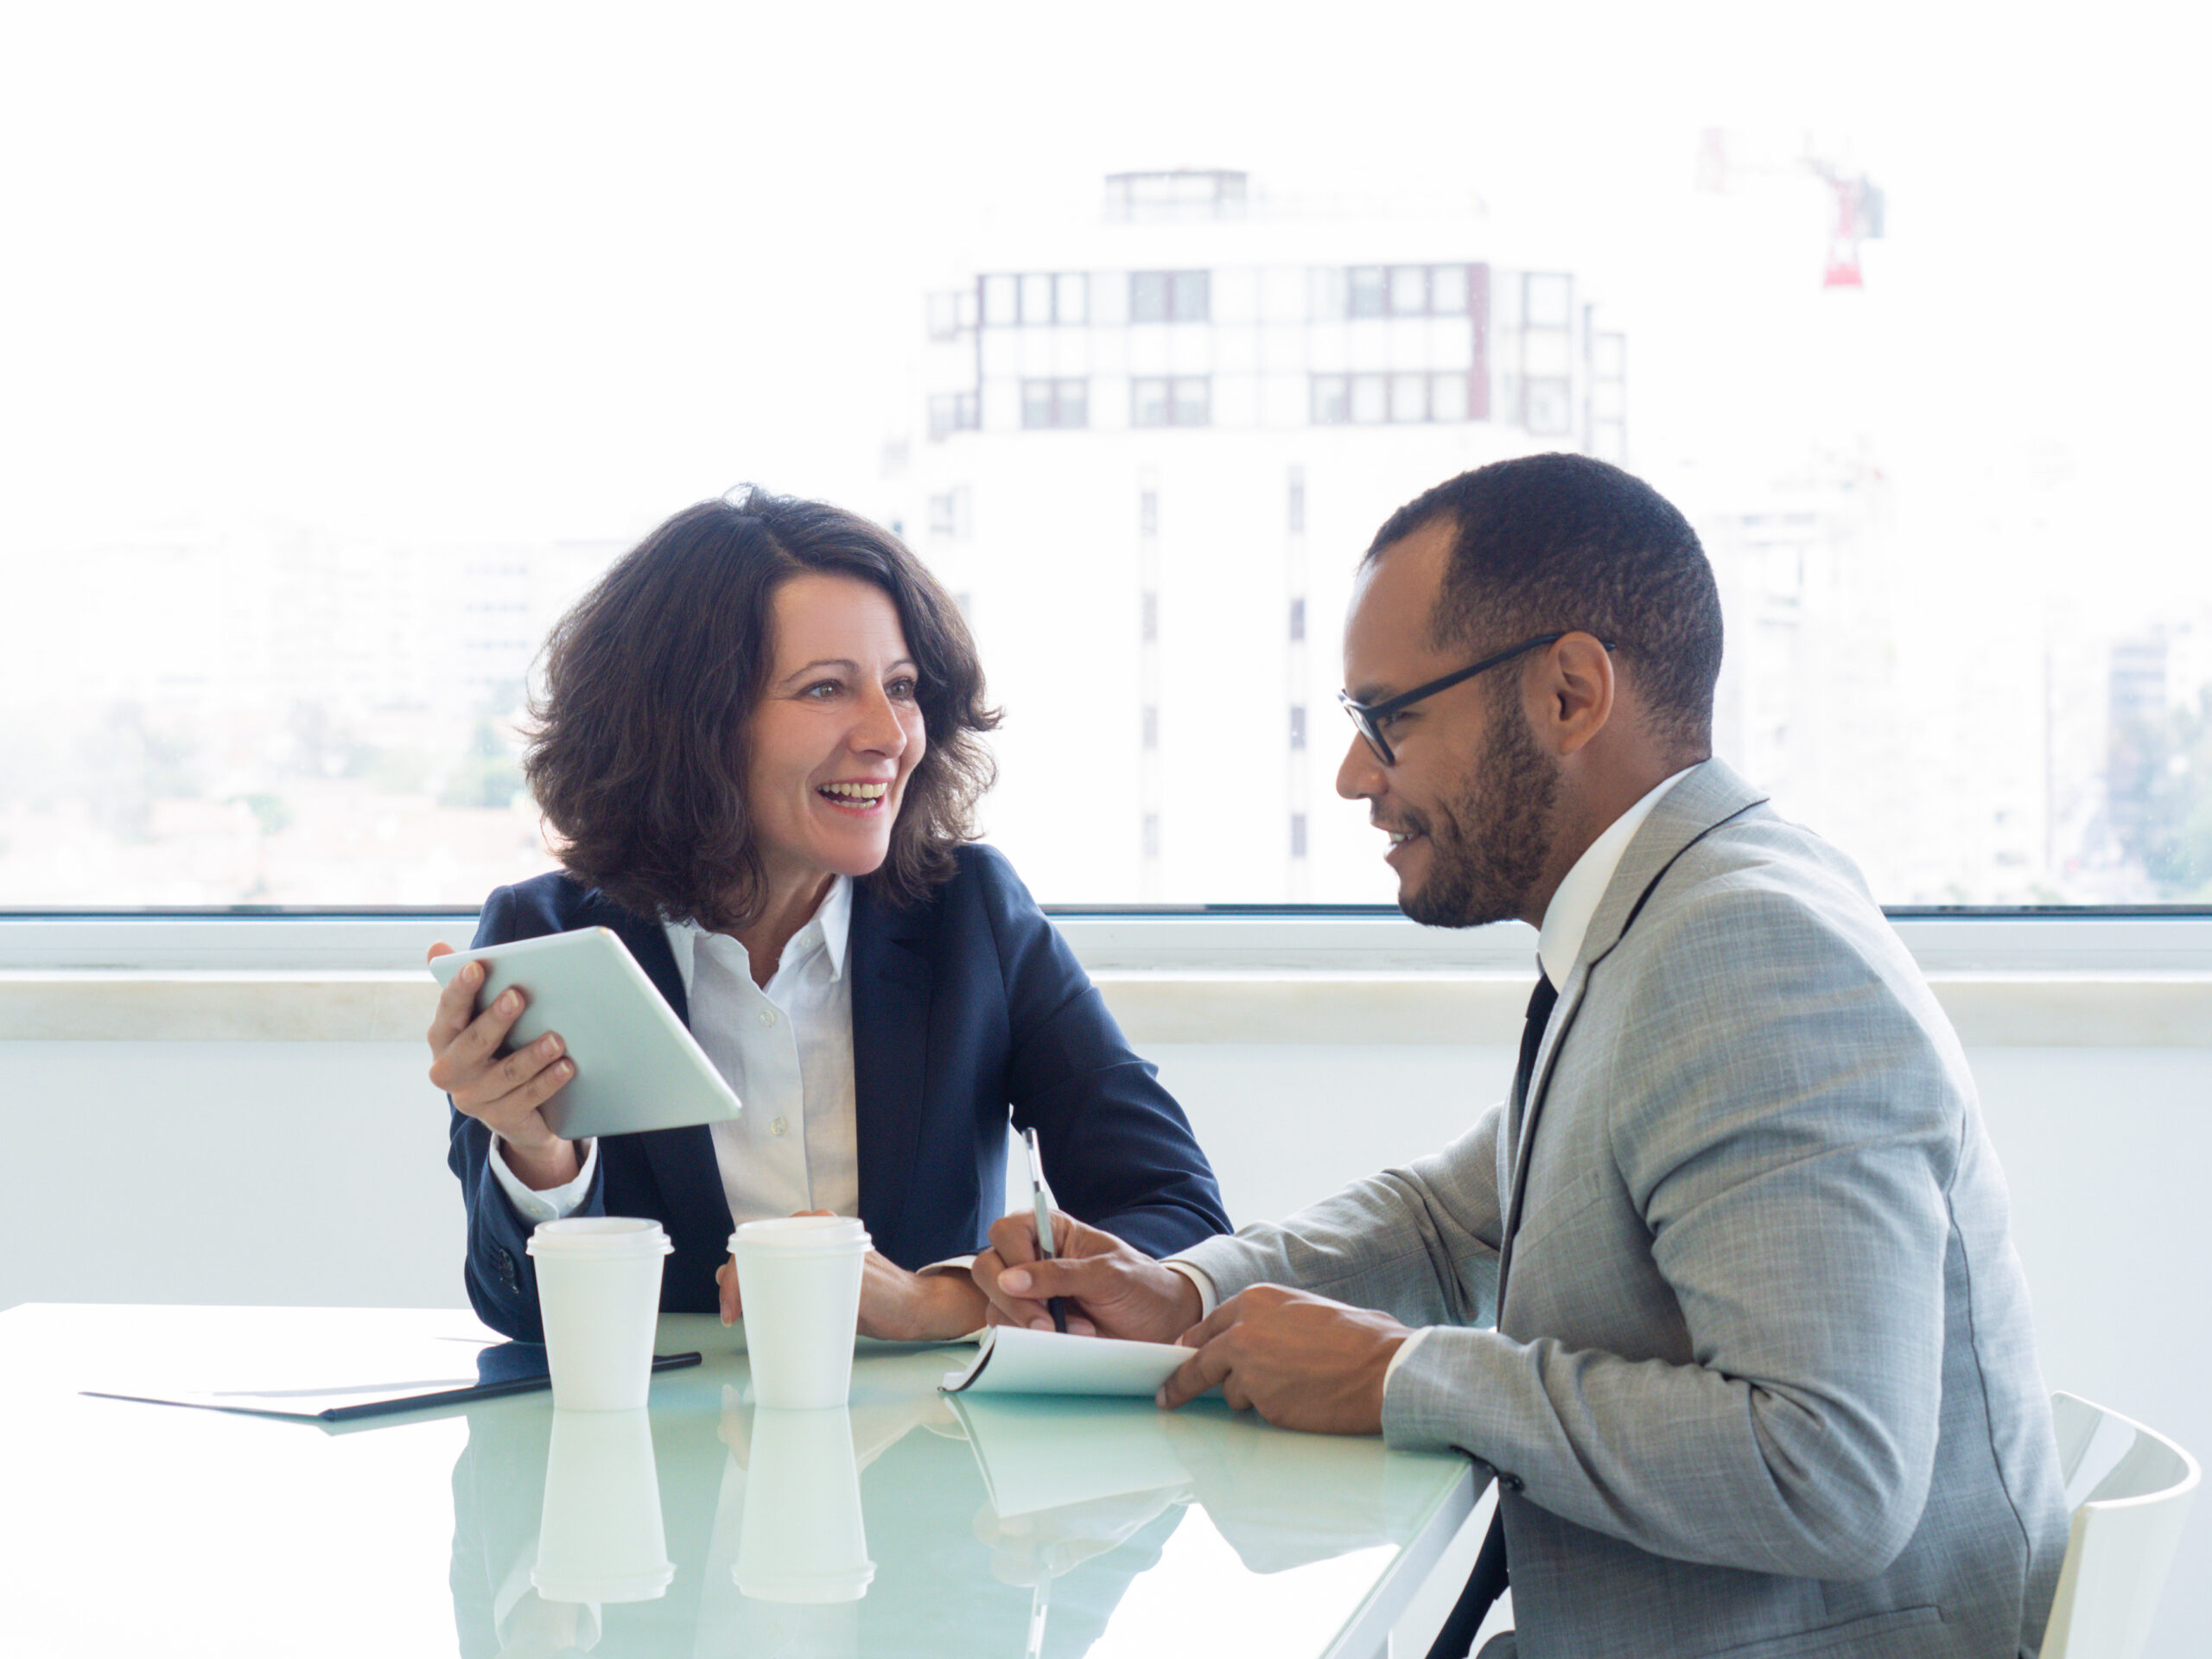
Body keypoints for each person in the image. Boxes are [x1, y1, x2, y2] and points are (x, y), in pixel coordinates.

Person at [978, 454, 2069, 1659]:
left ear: (1567, 694)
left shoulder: (1746, 949)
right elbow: (1456, 1221)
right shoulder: (1666, 914)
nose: (1355, 777)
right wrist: (1187, 1290)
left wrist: (1404, 1377)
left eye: (1392, 718)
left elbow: (1826, 1470)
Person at [428, 489, 1228, 1344]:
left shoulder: (972, 916)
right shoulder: (548, 942)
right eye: (824, 690)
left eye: (902, 687)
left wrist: (952, 1302)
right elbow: (521, 1312)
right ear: (687, 724)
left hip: (931, 1456)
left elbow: (1175, 1215)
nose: (889, 734)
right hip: (664, 1462)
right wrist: (537, 1153)